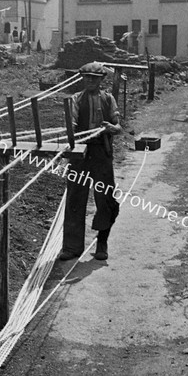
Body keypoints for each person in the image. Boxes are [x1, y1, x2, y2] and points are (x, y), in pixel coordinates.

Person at [59, 62, 122, 261]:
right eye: (87, 77)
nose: (90, 81)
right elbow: (72, 123)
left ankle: (102, 243)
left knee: (105, 198)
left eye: (94, 78)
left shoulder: (108, 99)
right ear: (82, 79)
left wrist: (110, 128)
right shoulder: (76, 100)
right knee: (75, 198)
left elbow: (118, 126)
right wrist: (73, 130)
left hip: (101, 153)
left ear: (102, 80)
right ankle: (71, 247)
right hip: (80, 154)